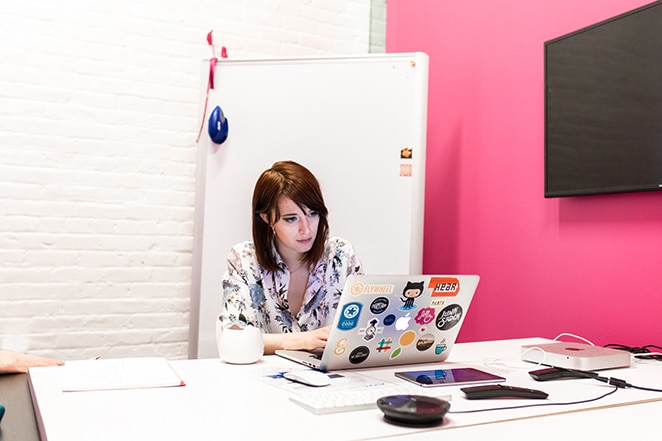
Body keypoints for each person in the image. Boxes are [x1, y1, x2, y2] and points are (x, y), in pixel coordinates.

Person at [219, 160, 363, 355]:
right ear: (266, 218)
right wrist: (302, 340)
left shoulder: (341, 255)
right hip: (266, 378)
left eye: (312, 214)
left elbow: (363, 331)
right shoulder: (244, 260)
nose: (306, 229)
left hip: (332, 378)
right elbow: (234, 338)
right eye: (291, 219)